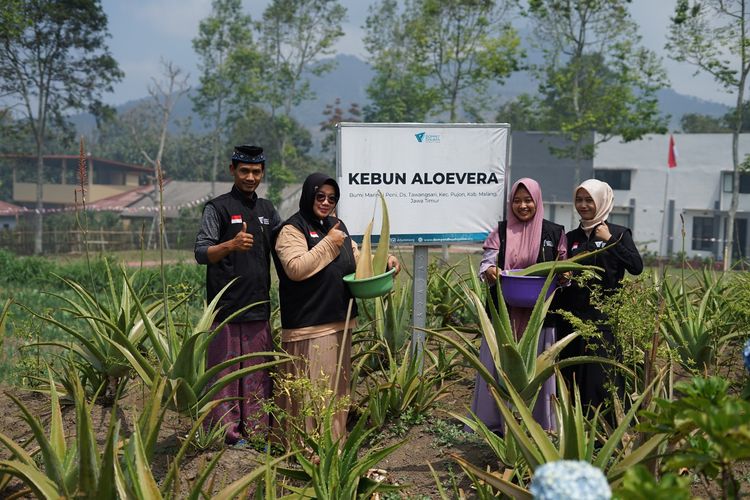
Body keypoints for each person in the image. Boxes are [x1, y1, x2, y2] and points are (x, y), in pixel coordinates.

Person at [272, 172, 399, 442]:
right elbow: (295, 268)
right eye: (320, 196)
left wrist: (384, 260)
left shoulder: (336, 226)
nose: (326, 202)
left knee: (335, 390)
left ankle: (333, 445)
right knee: (311, 391)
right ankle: (304, 449)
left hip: (339, 320)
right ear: (309, 196)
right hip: (311, 326)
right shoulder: (292, 229)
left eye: (332, 198)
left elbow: (357, 257)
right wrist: (329, 242)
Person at [194, 145, 281, 445]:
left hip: (258, 307)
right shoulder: (216, 208)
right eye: (244, 170)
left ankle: (257, 432)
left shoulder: (268, 211)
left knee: (257, 375)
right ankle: (227, 435)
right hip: (225, 311)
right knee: (224, 376)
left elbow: (284, 246)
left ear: (262, 173)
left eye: (256, 172)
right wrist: (230, 245)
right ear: (232, 170)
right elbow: (201, 252)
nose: (250, 177)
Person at [470, 178, 567, 433]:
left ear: (537, 201)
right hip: (505, 313)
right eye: (517, 200)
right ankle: (495, 422)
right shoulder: (501, 231)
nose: (522, 205)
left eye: (528, 200)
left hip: (539, 314)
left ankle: (539, 424)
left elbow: (564, 269)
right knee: (499, 362)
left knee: (537, 363)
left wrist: (566, 277)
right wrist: (490, 269)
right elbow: (487, 262)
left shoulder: (554, 233)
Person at [558, 178, 643, 413]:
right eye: (579, 200)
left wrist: (610, 240)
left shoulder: (618, 233)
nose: (583, 205)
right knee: (571, 375)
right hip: (572, 317)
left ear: (602, 202)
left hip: (602, 318)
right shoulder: (571, 237)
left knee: (600, 377)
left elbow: (636, 266)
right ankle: (573, 430)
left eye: (589, 200)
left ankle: (603, 433)